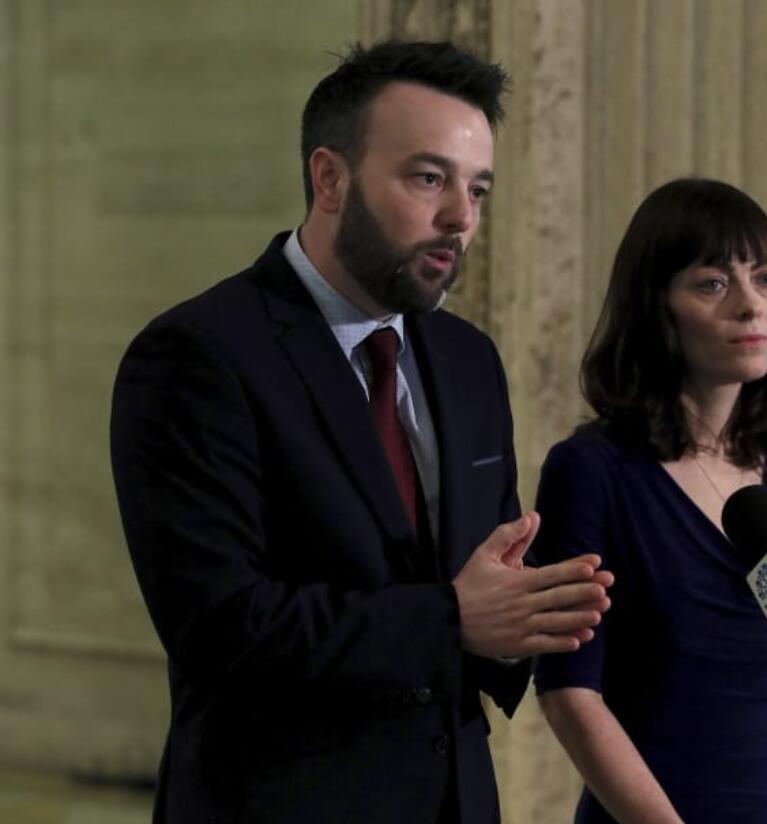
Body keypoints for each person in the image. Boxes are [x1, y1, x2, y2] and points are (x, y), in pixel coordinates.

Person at [110, 40, 612, 824]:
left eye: (478, 189)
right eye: (428, 178)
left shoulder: (469, 360)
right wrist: (456, 617)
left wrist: (525, 622)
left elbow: (484, 584)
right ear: (330, 178)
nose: (461, 218)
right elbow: (220, 626)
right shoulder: (198, 355)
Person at [532, 178, 767, 823]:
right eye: (713, 284)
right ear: (656, 309)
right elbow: (570, 690)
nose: (751, 305)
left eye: (766, 278)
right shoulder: (592, 472)